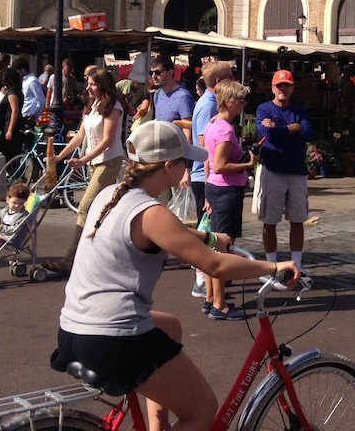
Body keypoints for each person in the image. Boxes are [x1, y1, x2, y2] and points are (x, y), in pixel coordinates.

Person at [49, 120, 300, 431]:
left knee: (170, 326)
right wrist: (273, 268)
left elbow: (172, 233)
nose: (187, 167)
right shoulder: (152, 213)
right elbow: (216, 266)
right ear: (168, 166)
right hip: (113, 336)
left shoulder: (112, 194)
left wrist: (209, 238)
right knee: (202, 410)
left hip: (74, 328)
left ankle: (158, 426)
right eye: (184, 161)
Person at [43, 68, 126, 277]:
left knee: (85, 207)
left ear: (103, 85)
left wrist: (82, 160)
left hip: (109, 161)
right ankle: (106, 254)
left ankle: (70, 259)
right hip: (93, 162)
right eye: (88, 83)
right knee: (102, 210)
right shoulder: (91, 106)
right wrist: (59, 156)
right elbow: (80, 135)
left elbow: (107, 140)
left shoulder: (113, 106)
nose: (88, 87)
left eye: (92, 84)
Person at [203, 80, 258, 320]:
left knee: (214, 246)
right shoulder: (224, 129)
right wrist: (248, 163)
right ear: (227, 102)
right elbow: (221, 165)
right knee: (222, 249)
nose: (243, 104)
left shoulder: (214, 123)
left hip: (216, 189)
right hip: (226, 191)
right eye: (240, 100)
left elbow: (209, 163)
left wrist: (207, 190)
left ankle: (210, 298)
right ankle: (220, 304)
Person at [256, 69, 313, 271]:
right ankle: (271, 266)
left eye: (287, 85)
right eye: (280, 85)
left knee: (297, 220)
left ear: (292, 88)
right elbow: (267, 134)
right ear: (273, 88)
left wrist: (279, 129)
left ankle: (296, 264)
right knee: (269, 220)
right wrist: (291, 128)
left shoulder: (299, 109)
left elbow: (308, 132)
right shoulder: (263, 109)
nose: (283, 89)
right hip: (273, 170)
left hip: (297, 171)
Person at [188, 60, 234, 301]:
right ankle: (202, 281)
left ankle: (209, 281)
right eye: (230, 77)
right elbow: (206, 146)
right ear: (218, 83)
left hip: (203, 175)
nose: (234, 80)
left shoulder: (206, 102)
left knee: (208, 229)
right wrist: (208, 184)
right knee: (207, 231)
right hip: (204, 176)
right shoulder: (209, 106)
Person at [150, 57, 195, 188]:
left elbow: (188, 134)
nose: (154, 76)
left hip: (176, 161)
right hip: (159, 157)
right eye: (151, 73)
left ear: (170, 72)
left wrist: (187, 169)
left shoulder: (183, 96)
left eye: (158, 72)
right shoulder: (157, 94)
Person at [0, 182, 30, 261]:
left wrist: (2, 228)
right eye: (14, 203)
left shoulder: (23, 215)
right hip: (2, 235)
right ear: (7, 200)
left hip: (13, 239)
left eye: (21, 204)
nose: (17, 206)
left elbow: (16, 229)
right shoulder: (4, 211)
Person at [0, 68, 26, 160]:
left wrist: (10, 130)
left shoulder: (12, 94)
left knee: (6, 151)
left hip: (11, 125)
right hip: (14, 124)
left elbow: (15, 112)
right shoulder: (18, 92)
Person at [13, 58, 45, 128]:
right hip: (23, 114)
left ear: (22, 69)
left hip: (29, 115)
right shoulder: (23, 81)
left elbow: (41, 99)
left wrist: (34, 115)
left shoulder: (32, 81)